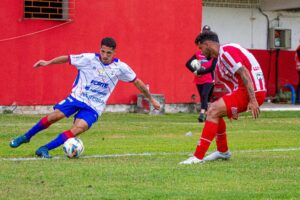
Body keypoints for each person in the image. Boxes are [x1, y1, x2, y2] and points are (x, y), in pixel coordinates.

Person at [9, 37, 160, 158]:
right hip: (77, 98)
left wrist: (151, 99)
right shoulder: (88, 59)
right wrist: (48, 62)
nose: (105, 55)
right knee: (54, 117)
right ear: (100, 49)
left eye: (109, 53)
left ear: (114, 52)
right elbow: (67, 58)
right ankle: (26, 137)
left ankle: (44, 149)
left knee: (79, 128)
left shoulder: (120, 68)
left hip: (94, 107)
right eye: (103, 51)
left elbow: (137, 82)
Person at [180, 31, 266, 164]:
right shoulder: (219, 60)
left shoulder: (226, 52)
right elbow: (233, 84)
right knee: (213, 109)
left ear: (207, 44)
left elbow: (244, 73)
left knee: (213, 110)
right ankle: (223, 151)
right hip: (245, 90)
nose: (201, 53)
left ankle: (198, 156)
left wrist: (253, 100)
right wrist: (233, 109)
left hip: (253, 91)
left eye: (201, 48)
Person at [185, 25, 217, 122]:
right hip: (199, 79)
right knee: (204, 98)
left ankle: (202, 113)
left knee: (204, 95)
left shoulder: (213, 52)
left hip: (209, 79)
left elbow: (212, 67)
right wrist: (195, 71)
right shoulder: (198, 54)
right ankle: (207, 114)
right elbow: (187, 64)